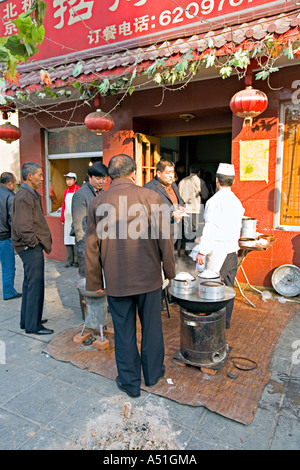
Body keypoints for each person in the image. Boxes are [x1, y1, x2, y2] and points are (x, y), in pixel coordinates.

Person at [85, 154, 176, 398]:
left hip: (116, 280)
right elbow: (164, 240)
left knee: (124, 331)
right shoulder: (150, 197)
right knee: (152, 328)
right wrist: (170, 272)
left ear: (110, 176)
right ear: (134, 173)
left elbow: (91, 246)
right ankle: (153, 374)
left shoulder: (98, 202)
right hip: (148, 279)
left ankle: (129, 382)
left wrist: (95, 282)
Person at [193, 163, 245, 329]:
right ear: (233, 181)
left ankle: (212, 323)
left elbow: (210, 228)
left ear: (217, 181)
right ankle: (225, 322)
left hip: (217, 251)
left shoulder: (214, 201)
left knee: (212, 287)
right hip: (231, 251)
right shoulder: (237, 202)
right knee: (228, 287)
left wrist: (202, 251)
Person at [11, 162, 53, 335]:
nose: (42, 178)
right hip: (29, 247)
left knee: (29, 285)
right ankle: (33, 325)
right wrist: (33, 243)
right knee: (35, 286)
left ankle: (28, 320)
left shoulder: (28, 194)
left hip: (31, 246)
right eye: (40, 174)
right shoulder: (23, 196)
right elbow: (22, 226)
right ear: (30, 176)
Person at [71, 161, 108, 278]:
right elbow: (78, 226)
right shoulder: (80, 195)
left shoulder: (104, 193)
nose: (101, 181)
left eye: (104, 179)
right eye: (98, 178)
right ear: (90, 178)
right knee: (86, 279)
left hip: (102, 243)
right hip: (87, 244)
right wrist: (83, 250)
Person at [144, 160, 185, 254]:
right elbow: (149, 213)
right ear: (159, 173)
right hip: (160, 233)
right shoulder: (149, 188)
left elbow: (180, 200)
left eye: (172, 172)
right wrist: (171, 214)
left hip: (175, 228)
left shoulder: (173, 184)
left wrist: (181, 206)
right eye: (168, 173)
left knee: (174, 258)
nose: (171, 176)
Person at [0, 172, 22, 300]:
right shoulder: (10, 196)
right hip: (4, 237)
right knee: (8, 267)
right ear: (10, 183)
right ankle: (9, 292)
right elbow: (13, 220)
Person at [178, 163, 209, 251]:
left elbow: (178, 196)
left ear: (190, 171)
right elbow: (205, 195)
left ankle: (186, 251)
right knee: (194, 232)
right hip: (195, 210)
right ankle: (191, 253)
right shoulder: (200, 181)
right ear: (199, 172)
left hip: (184, 210)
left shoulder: (182, 181)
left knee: (186, 231)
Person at [61, 172, 80, 268]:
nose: (68, 181)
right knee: (68, 240)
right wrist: (62, 217)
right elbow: (63, 204)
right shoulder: (66, 191)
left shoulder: (79, 190)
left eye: (70, 179)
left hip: (76, 219)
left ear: (75, 180)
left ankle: (77, 261)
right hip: (67, 220)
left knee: (76, 240)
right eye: (67, 179)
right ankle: (69, 260)